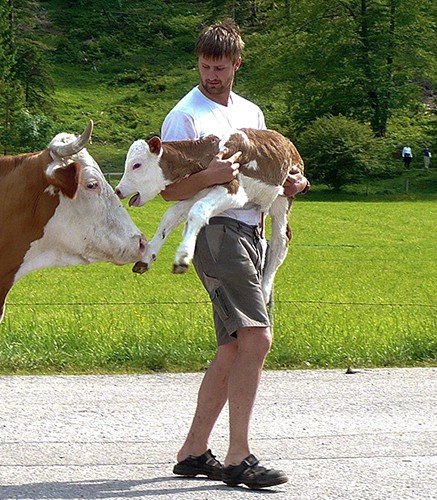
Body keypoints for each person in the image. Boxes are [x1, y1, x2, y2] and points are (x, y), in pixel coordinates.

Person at [159, 19, 307, 490]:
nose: (211, 76)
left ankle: (193, 451)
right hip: (214, 233)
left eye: (220, 68)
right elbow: (169, 194)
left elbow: (262, 174)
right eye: (204, 66)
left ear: (236, 65)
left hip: (251, 230)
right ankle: (238, 456)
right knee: (257, 339)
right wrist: (208, 175)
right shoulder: (185, 117)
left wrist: (290, 184)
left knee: (233, 347)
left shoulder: (250, 112)